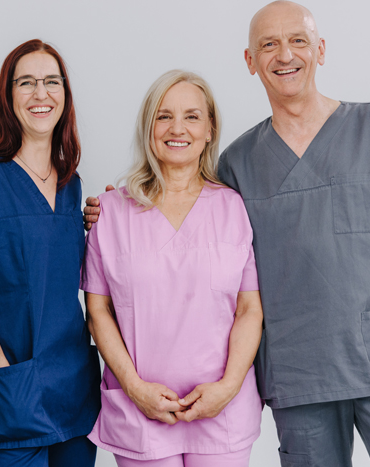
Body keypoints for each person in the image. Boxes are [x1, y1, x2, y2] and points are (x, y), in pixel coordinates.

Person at [215, 1, 370, 466]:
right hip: (299, 375)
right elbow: (193, 231)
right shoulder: (237, 163)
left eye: (298, 40)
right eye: (268, 44)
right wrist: (117, 211)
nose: (284, 54)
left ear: (320, 50)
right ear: (250, 61)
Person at [82, 70, 263, 467]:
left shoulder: (234, 207)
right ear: (148, 126)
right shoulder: (110, 212)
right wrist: (134, 387)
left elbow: (249, 309)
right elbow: (98, 312)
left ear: (210, 128)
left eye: (192, 116)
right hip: (140, 409)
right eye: (163, 116)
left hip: (222, 409)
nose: (177, 128)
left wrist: (229, 386)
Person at [0, 39, 101, 467]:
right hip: (9, 386)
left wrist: (109, 222)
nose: (40, 94)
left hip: (71, 388)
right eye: (26, 83)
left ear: (64, 95)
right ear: (8, 95)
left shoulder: (72, 184)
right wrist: (0, 374)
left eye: (52, 82)